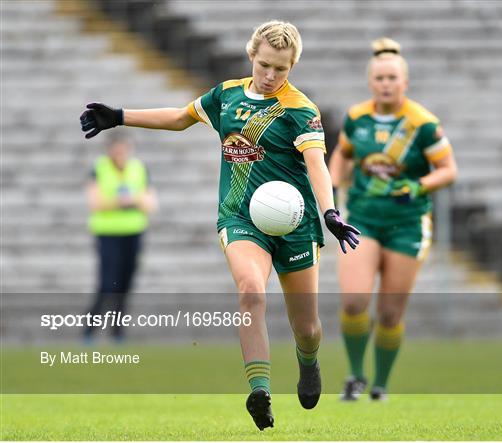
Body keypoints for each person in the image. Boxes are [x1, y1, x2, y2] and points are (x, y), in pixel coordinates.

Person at [80, 21, 359, 430]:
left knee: (307, 327)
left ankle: (308, 361)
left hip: (295, 226)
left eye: (280, 69)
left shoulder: (300, 109)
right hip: (241, 218)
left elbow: (317, 163)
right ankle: (260, 390)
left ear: (292, 66)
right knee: (250, 289)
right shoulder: (227, 95)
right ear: (252, 55)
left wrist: (330, 212)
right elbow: (179, 117)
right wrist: (120, 116)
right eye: (264, 65)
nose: (270, 76)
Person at [329, 38, 458, 401]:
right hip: (363, 220)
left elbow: (448, 170)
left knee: (388, 313)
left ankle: (380, 384)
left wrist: (418, 185)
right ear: (371, 82)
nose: (386, 83)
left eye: (392, 78)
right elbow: (342, 155)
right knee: (354, 301)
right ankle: (355, 376)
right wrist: (332, 189)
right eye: (380, 78)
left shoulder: (423, 125)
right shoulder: (358, 118)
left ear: (405, 83)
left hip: (407, 225)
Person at [84, 132, 157, 341]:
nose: (121, 152)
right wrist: (127, 201)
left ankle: (117, 332)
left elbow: (151, 203)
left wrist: (127, 200)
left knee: (125, 284)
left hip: (133, 232)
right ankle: (90, 329)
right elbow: (95, 202)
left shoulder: (138, 168)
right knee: (108, 284)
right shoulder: (99, 168)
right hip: (107, 233)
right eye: (117, 148)